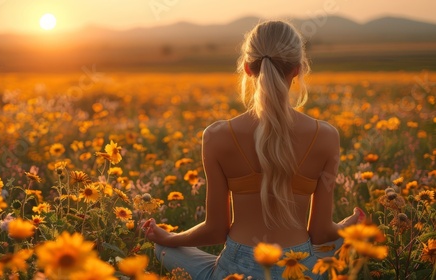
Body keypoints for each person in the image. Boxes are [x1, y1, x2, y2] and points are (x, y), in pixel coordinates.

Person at [142, 20, 363, 280]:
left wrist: (169, 237)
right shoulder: (326, 136)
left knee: (162, 249)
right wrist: (346, 227)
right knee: (344, 244)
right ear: (298, 69)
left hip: (235, 270)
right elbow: (321, 234)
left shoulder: (216, 136)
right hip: (299, 268)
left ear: (247, 69)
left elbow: (215, 230)